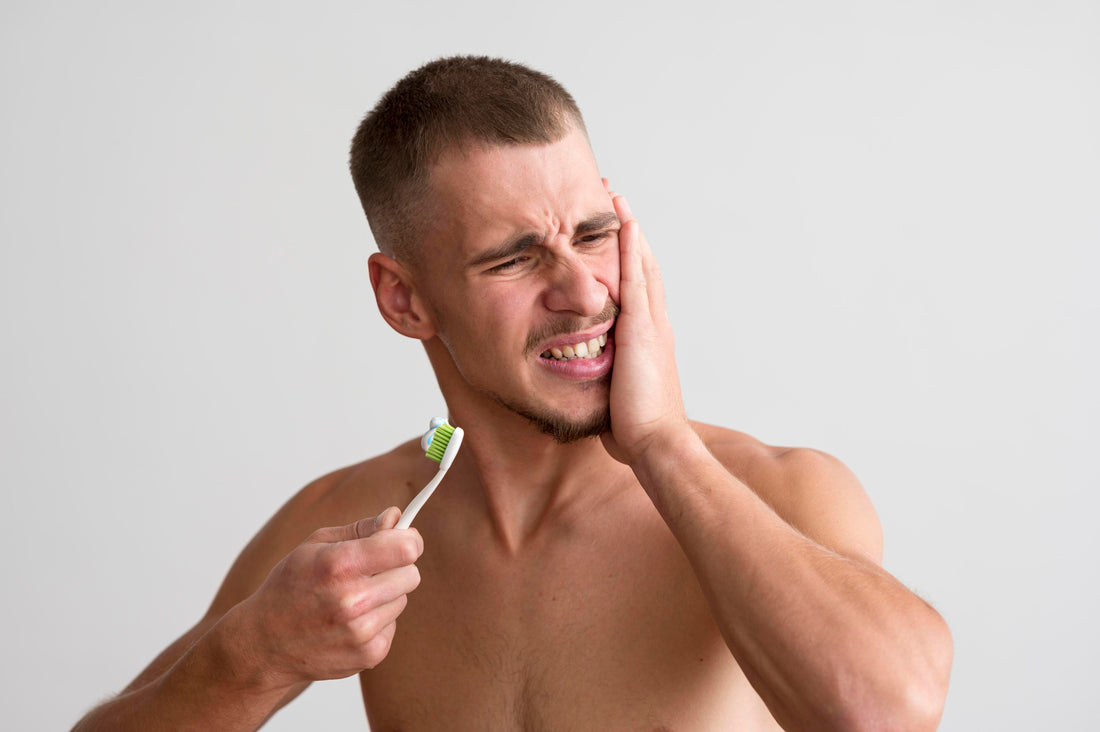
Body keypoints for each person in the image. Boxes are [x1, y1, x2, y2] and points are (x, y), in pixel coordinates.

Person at [74, 56, 953, 731]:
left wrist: (664, 446)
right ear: (404, 300)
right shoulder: (349, 526)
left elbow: (887, 713)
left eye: (595, 235)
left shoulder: (775, 492)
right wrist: (255, 655)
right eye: (515, 258)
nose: (584, 291)